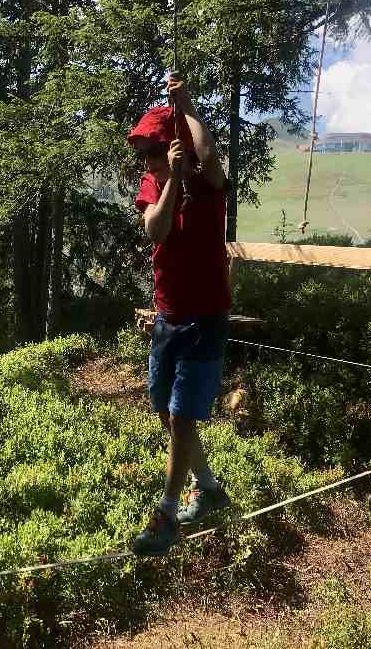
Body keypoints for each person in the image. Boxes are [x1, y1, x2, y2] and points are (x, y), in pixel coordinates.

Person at [129, 73, 232, 557]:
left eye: (157, 149)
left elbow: (210, 157)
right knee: (169, 417)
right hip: (168, 318)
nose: (149, 159)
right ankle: (208, 487)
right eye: (146, 152)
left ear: (179, 147)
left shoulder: (209, 187)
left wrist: (185, 102)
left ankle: (167, 513)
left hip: (205, 318)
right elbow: (156, 229)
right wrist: (167, 181)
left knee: (181, 414)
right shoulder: (154, 183)